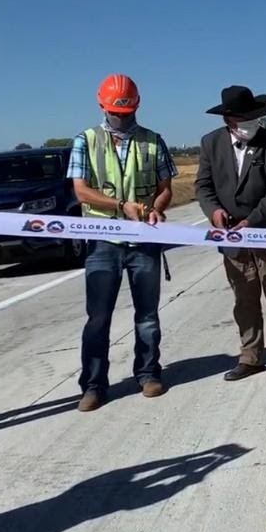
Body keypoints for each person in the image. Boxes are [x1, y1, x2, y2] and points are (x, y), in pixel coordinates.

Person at [68, 74, 177, 411]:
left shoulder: (152, 141)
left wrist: (156, 209)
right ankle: (94, 385)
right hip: (103, 243)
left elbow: (166, 188)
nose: (122, 117)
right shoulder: (85, 141)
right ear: (102, 106)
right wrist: (119, 207)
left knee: (147, 315)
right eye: (116, 112)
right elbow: (81, 190)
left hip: (144, 241)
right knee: (98, 318)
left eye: (127, 112)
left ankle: (147, 373)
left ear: (136, 106)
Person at [195, 85, 266, 379]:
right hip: (231, 238)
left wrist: (252, 222)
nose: (249, 124)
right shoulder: (210, 144)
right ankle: (251, 356)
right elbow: (203, 187)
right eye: (243, 119)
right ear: (228, 120)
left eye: (253, 118)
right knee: (245, 299)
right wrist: (213, 211)